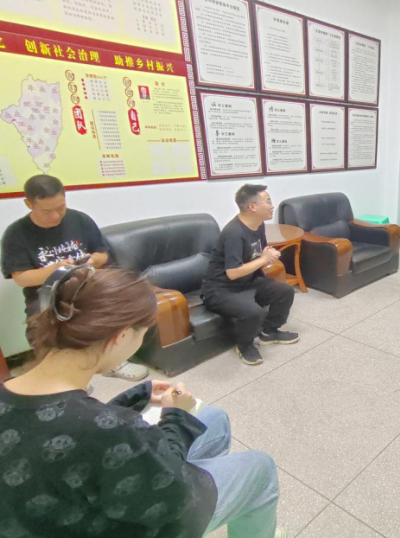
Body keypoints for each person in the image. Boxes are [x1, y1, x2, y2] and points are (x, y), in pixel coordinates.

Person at [0, 266, 285, 538]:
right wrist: (176, 415)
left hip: (62, 507)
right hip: (138, 521)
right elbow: (169, 485)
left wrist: (137, 395)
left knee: (214, 419)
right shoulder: (111, 430)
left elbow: (73, 421)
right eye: (143, 333)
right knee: (260, 466)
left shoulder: (15, 393)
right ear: (121, 336)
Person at [1, 174, 147, 382]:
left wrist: (93, 261)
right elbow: (21, 278)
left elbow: (103, 255)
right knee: (40, 327)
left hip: (86, 283)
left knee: (114, 304)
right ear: (29, 204)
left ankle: (114, 361)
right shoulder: (16, 233)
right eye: (47, 211)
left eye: (61, 207)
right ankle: (64, 377)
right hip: (47, 293)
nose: (55, 216)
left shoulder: (80, 220)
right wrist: (55, 269)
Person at [202, 184, 298, 366]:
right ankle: (244, 346)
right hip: (220, 289)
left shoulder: (258, 225)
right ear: (252, 207)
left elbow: (260, 252)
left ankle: (269, 332)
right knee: (253, 312)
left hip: (248, 281)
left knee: (285, 292)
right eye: (268, 201)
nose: (272, 206)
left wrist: (267, 254)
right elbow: (232, 273)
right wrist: (264, 259)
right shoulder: (234, 233)